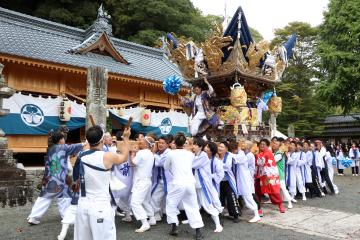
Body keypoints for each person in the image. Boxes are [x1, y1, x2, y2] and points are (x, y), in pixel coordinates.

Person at [73, 125, 130, 240]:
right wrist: (126, 138)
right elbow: (124, 158)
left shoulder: (81, 155)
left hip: (83, 204)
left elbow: (75, 181)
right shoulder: (107, 156)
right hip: (100, 205)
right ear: (102, 140)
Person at [27, 131, 85, 225]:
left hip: (49, 178)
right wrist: (85, 143)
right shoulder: (62, 147)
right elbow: (73, 147)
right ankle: (66, 217)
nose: (64, 140)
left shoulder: (50, 148)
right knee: (65, 198)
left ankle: (33, 217)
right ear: (59, 140)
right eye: (62, 138)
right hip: (59, 179)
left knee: (44, 198)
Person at [164, 132, 204, 240]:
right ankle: (198, 231)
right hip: (190, 183)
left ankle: (174, 226)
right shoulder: (190, 154)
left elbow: (166, 167)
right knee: (193, 207)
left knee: (170, 204)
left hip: (178, 183)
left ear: (174, 142)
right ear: (183, 142)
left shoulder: (171, 154)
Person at [192, 138, 223, 232]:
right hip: (196, 184)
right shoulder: (196, 155)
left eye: (195, 144)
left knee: (208, 204)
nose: (193, 146)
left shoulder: (203, 156)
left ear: (200, 147)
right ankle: (192, 220)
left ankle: (218, 225)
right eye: (193, 144)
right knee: (194, 204)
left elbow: (192, 165)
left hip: (203, 185)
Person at [130, 136, 156, 233]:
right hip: (147, 180)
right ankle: (152, 218)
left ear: (146, 144)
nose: (139, 141)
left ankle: (145, 223)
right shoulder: (150, 153)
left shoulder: (141, 153)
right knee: (145, 201)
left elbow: (134, 162)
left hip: (141, 181)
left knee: (135, 202)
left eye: (141, 140)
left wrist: (132, 154)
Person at [231, 141, 261, 223]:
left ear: (248, 146)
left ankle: (257, 214)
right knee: (246, 196)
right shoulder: (243, 153)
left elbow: (239, 159)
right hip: (242, 177)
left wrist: (229, 154)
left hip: (246, 177)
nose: (242, 144)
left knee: (248, 196)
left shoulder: (248, 155)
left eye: (244, 144)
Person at [255, 139, 285, 214]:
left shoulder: (268, 153)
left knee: (272, 191)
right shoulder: (259, 152)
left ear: (267, 146)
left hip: (268, 175)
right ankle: (258, 208)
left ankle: (280, 204)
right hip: (258, 175)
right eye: (261, 144)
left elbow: (261, 162)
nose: (262, 145)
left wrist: (255, 155)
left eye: (264, 144)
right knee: (257, 191)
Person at [218, 141, 241, 223]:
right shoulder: (216, 155)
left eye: (222, 147)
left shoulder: (229, 155)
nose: (220, 148)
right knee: (218, 197)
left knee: (231, 197)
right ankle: (217, 213)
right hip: (219, 181)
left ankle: (235, 214)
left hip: (228, 180)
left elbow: (227, 167)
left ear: (226, 149)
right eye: (219, 146)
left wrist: (218, 164)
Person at [151, 135, 171, 222]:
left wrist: (154, 153)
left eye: (163, 143)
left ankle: (170, 216)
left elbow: (159, 162)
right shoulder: (159, 153)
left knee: (169, 199)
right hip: (160, 179)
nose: (160, 144)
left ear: (167, 144)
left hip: (169, 180)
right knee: (155, 197)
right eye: (159, 142)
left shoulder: (169, 152)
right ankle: (157, 214)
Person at [272, 139, 293, 209]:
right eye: (274, 144)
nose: (274, 145)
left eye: (276, 144)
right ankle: (275, 200)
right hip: (275, 174)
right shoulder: (276, 153)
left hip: (279, 174)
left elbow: (272, 161)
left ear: (279, 147)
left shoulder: (279, 154)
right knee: (274, 188)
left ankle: (289, 202)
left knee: (283, 188)